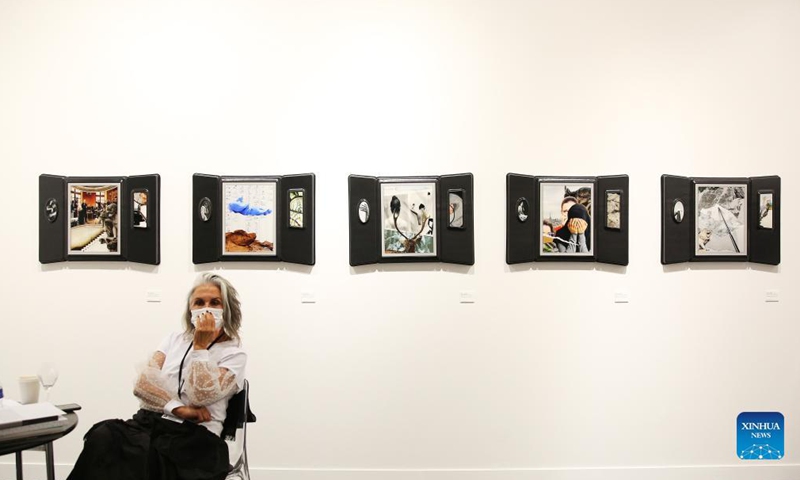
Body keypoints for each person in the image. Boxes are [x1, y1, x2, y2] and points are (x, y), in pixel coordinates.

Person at [67, 273, 247, 480]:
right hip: (154, 423)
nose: (206, 308)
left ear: (228, 310)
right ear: (190, 309)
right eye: (199, 302)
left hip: (197, 437)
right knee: (105, 437)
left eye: (215, 302)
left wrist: (200, 347)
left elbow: (201, 395)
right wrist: (179, 408)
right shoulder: (173, 340)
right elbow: (143, 384)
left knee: (148, 457)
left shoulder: (234, 353)